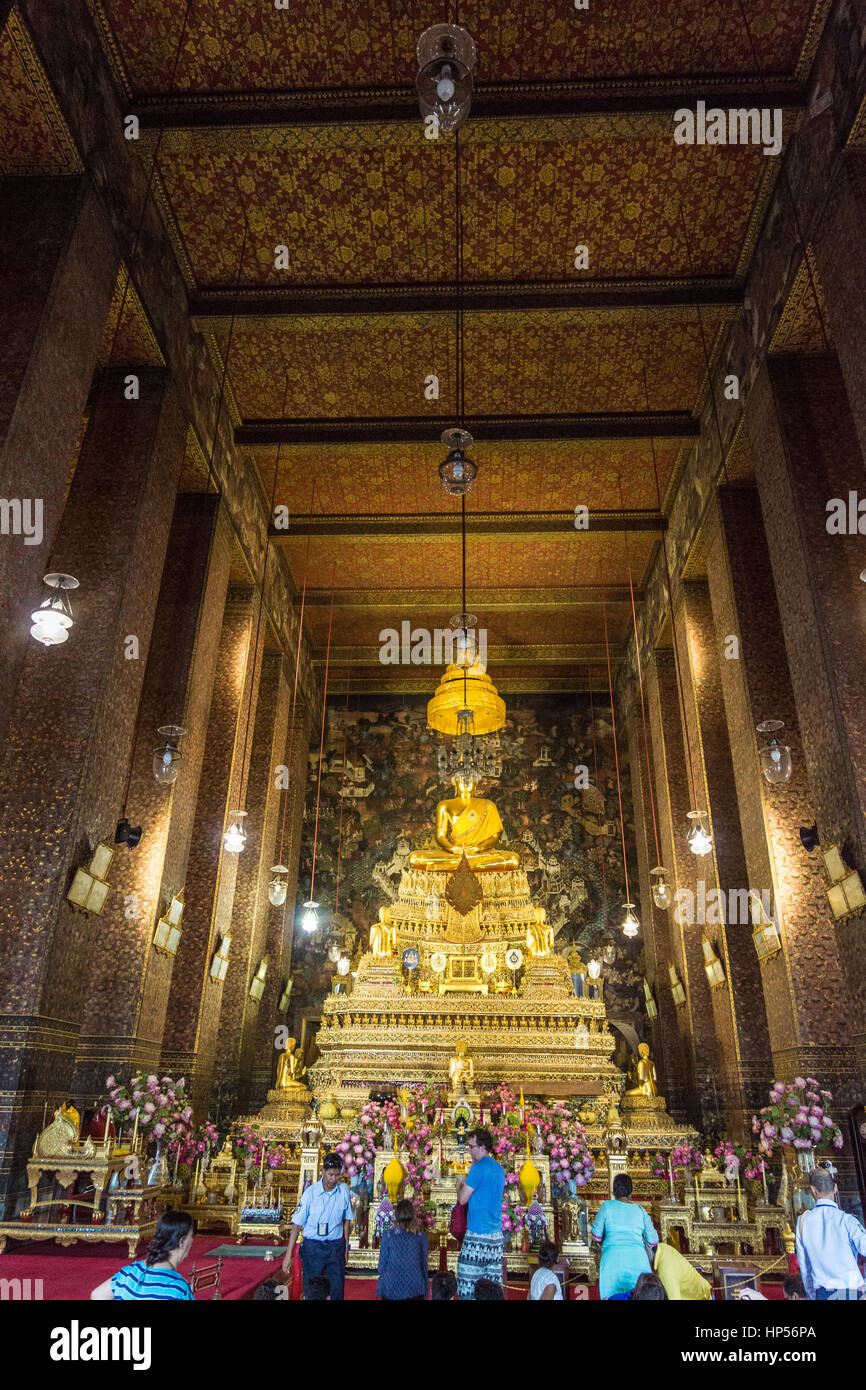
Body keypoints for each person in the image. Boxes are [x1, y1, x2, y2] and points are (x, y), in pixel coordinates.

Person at [281, 1152, 354, 1300]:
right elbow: (296, 1225)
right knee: (313, 1292)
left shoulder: (344, 1190)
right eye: (330, 1175)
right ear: (323, 1171)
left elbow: (347, 1220)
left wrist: (346, 1246)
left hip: (335, 1247)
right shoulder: (310, 1193)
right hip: (313, 1248)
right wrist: (288, 1255)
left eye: (337, 1175)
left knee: (337, 1290)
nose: (334, 1179)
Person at [795, 1166, 866, 1299]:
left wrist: (812, 1295)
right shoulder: (847, 1220)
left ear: (813, 1190)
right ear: (835, 1188)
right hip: (850, 1291)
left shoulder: (802, 1222)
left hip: (823, 1292)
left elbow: (805, 1267)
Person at [90, 1210, 194, 1300]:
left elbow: (97, 1295)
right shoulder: (179, 1289)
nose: (193, 1240)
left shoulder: (131, 1271)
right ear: (182, 1241)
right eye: (191, 1236)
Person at [455, 1127, 506, 1300]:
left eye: (471, 1146)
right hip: (496, 1235)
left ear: (483, 1147)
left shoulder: (477, 1168)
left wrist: (459, 1184)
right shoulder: (499, 1168)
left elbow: (462, 1199)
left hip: (478, 1235)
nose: (469, 1150)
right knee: (491, 1290)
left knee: (468, 1286)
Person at [591, 1172, 658, 1300]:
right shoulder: (640, 1210)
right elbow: (653, 1240)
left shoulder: (606, 1206)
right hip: (638, 1260)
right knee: (639, 1296)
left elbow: (596, 1235)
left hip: (612, 1261)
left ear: (614, 1191)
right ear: (631, 1191)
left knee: (613, 1296)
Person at [377, 1197, 429, 1300]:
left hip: (391, 1288)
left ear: (396, 1215)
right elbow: (424, 1266)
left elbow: (381, 1267)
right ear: (413, 1214)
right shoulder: (420, 1235)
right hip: (415, 1288)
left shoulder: (388, 1235)